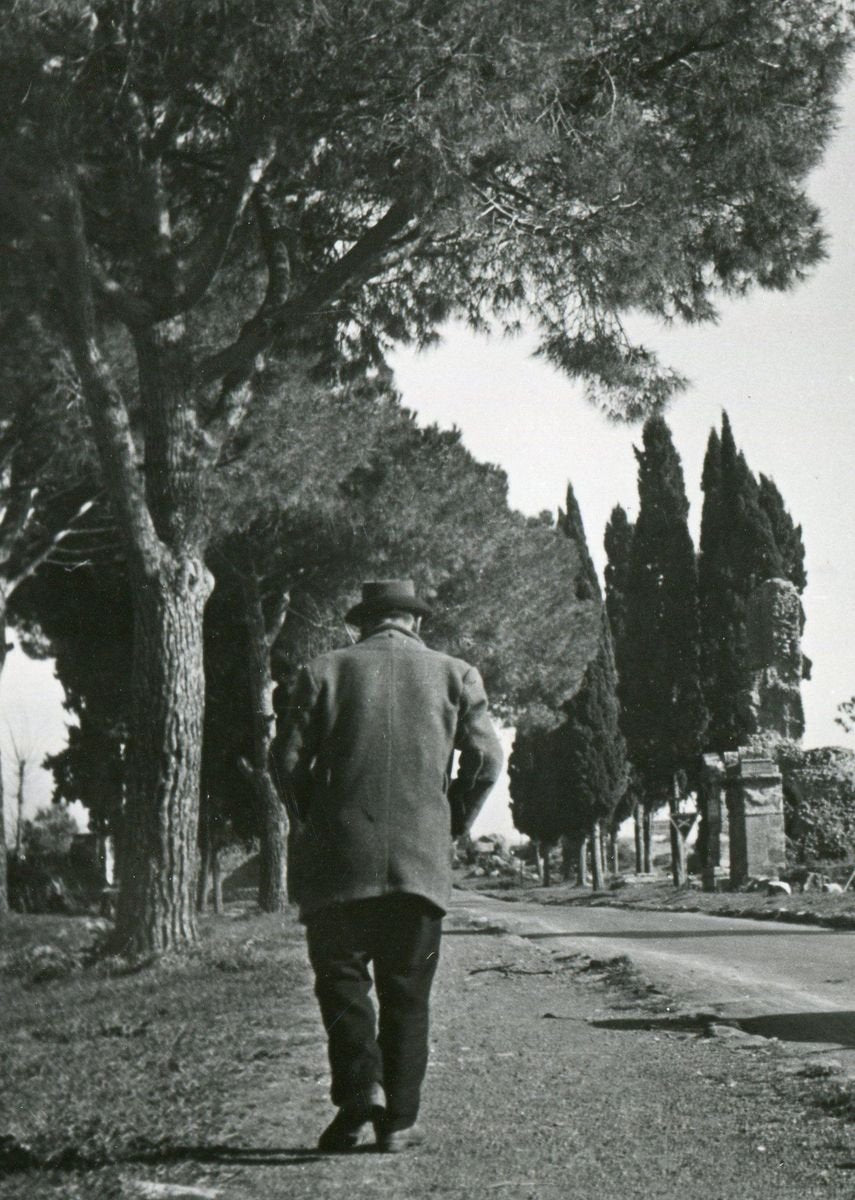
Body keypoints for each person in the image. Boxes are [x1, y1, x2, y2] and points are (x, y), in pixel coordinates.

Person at [270, 579, 504, 1153]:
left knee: (343, 982)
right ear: (416, 622)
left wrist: (311, 815)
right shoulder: (457, 673)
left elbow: (286, 760)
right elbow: (487, 759)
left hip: (339, 860)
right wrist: (452, 819)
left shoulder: (324, 669)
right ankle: (399, 1120)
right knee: (407, 991)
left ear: (363, 624)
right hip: (421, 864)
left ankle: (357, 1101)